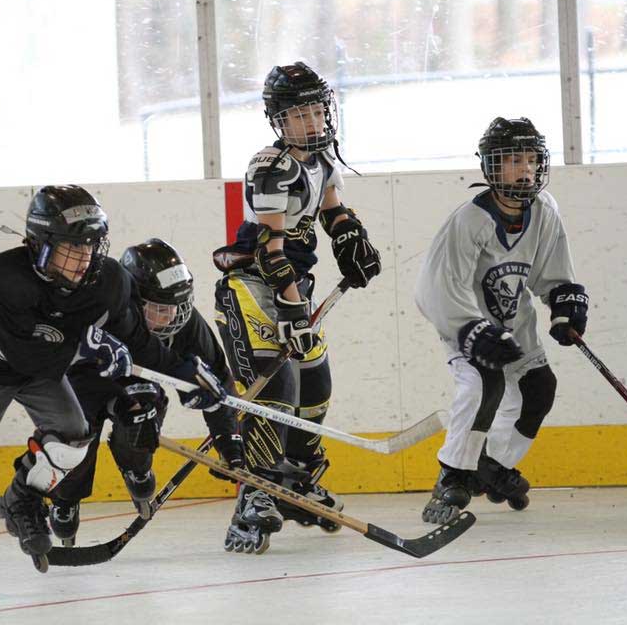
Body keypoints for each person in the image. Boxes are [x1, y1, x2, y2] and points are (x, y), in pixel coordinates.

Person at [0, 185, 227, 602]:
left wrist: (187, 375)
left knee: (73, 437)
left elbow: (138, 340)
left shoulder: (108, 279)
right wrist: (88, 346)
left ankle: (23, 496)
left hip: (44, 368)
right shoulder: (0, 274)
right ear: (39, 243)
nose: (84, 259)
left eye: (92, 246)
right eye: (72, 248)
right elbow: (22, 352)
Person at [211, 62, 381, 554]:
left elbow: (331, 209)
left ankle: (298, 478)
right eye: (298, 113)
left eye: (316, 109)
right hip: (255, 289)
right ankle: (255, 494)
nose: (311, 120)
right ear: (278, 121)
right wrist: (290, 309)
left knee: (315, 383)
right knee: (276, 387)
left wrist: (352, 238)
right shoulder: (271, 166)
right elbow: (270, 245)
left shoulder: (323, 158)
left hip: (293, 288)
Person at [415, 117, 588, 524]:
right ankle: (453, 474)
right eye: (513, 160)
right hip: (467, 325)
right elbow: (434, 289)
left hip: (516, 321)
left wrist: (564, 303)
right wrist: (470, 329)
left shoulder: (545, 210)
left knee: (539, 388)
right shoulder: (469, 220)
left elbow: (551, 271)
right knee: (483, 383)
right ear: (491, 166)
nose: (525, 169)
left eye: (531, 159)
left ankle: (491, 465)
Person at [48, 238, 245, 546]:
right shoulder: (101, 308)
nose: (172, 319)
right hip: (83, 381)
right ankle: (66, 497)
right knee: (77, 435)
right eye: (160, 309)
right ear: (132, 300)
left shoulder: (184, 324)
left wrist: (228, 438)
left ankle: (136, 467)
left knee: (145, 414)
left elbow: (216, 378)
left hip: (135, 382)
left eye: (178, 307)